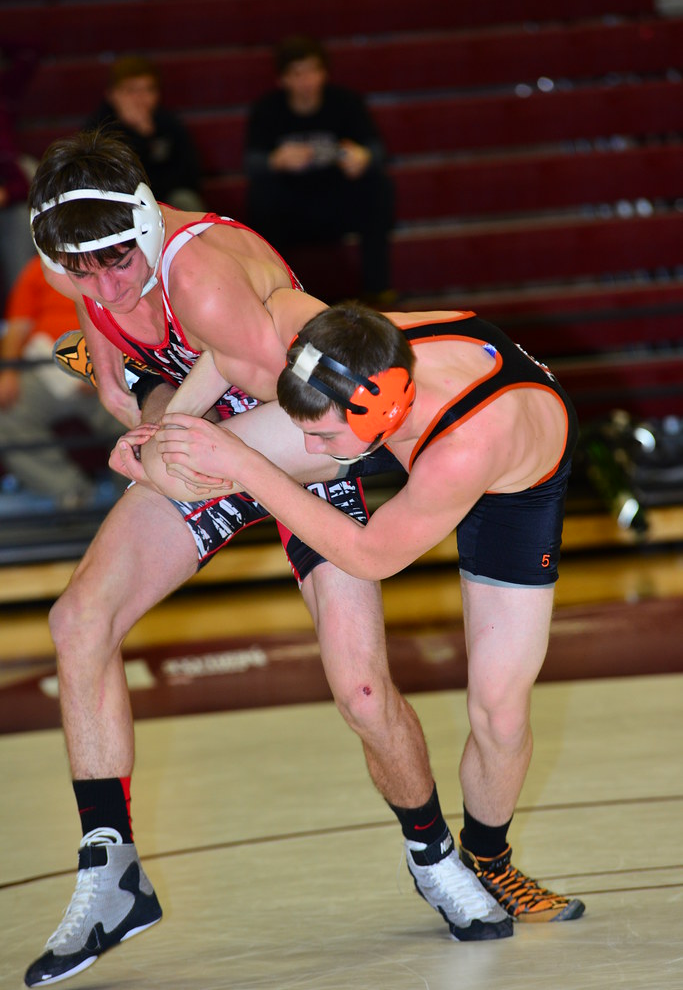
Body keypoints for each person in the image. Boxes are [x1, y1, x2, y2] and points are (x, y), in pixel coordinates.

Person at [23, 130, 511, 989]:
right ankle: (112, 869)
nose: (105, 284)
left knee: (362, 689)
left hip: (311, 442)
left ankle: (432, 853)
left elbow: (315, 423)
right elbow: (123, 388)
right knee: (78, 621)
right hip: (216, 446)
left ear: (141, 221)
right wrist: (157, 429)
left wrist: (162, 446)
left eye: (113, 262)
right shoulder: (88, 273)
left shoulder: (200, 270)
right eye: (81, 270)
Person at [150, 300, 587, 938]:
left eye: (321, 438)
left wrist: (250, 469)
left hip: (510, 488)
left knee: (500, 708)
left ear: (376, 412)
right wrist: (172, 420)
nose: (308, 447)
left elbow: (370, 556)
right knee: (178, 463)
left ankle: (489, 860)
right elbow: (229, 342)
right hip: (405, 418)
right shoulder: (344, 341)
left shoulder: (466, 450)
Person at [244, 34, 395, 304]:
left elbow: (377, 149)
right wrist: (276, 160)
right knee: (261, 194)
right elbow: (251, 163)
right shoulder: (267, 109)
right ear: (283, 80)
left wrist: (363, 157)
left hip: (337, 201)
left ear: (324, 74)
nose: (307, 81)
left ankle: (377, 291)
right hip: (291, 206)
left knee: (379, 185)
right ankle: (277, 294)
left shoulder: (345, 102)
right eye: (298, 74)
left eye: (314, 71)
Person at [0, 256, 125, 507]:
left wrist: (105, 365)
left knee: (141, 413)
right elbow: (16, 328)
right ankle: (70, 492)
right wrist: (7, 373)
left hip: (106, 364)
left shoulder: (112, 258)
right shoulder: (38, 268)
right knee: (5, 414)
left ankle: (133, 496)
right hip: (45, 367)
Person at [85, 54, 205, 211]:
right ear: (112, 94)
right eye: (131, 90)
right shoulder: (97, 130)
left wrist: (148, 137)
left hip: (164, 204)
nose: (140, 98)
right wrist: (139, 138)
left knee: (186, 200)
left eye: (148, 89)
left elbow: (189, 178)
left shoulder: (169, 125)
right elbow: (105, 181)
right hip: (117, 206)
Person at [0, 41, 39, 307]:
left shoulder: (3, 100)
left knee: (22, 221)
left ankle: (19, 317)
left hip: (9, 203)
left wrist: (5, 192)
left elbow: (30, 52)